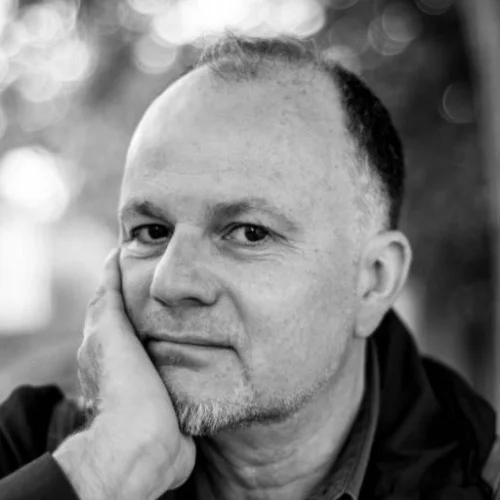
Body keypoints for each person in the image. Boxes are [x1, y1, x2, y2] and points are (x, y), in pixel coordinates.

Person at [0, 33, 499, 500]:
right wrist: (104, 469)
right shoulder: (32, 451)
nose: (171, 282)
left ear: (373, 281)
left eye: (249, 233)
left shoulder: (483, 479)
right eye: (151, 232)